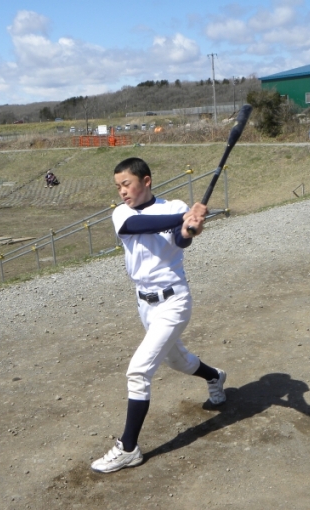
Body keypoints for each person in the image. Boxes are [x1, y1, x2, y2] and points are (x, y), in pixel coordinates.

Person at [90, 157, 226, 474]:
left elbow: (180, 239)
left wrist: (191, 227)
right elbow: (139, 226)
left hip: (174, 301)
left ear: (146, 181)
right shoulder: (122, 214)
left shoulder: (173, 206)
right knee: (177, 361)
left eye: (127, 184)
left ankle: (128, 448)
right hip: (145, 304)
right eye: (118, 186)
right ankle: (214, 376)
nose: (122, 191)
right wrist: (184, 216)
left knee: (138, 372)